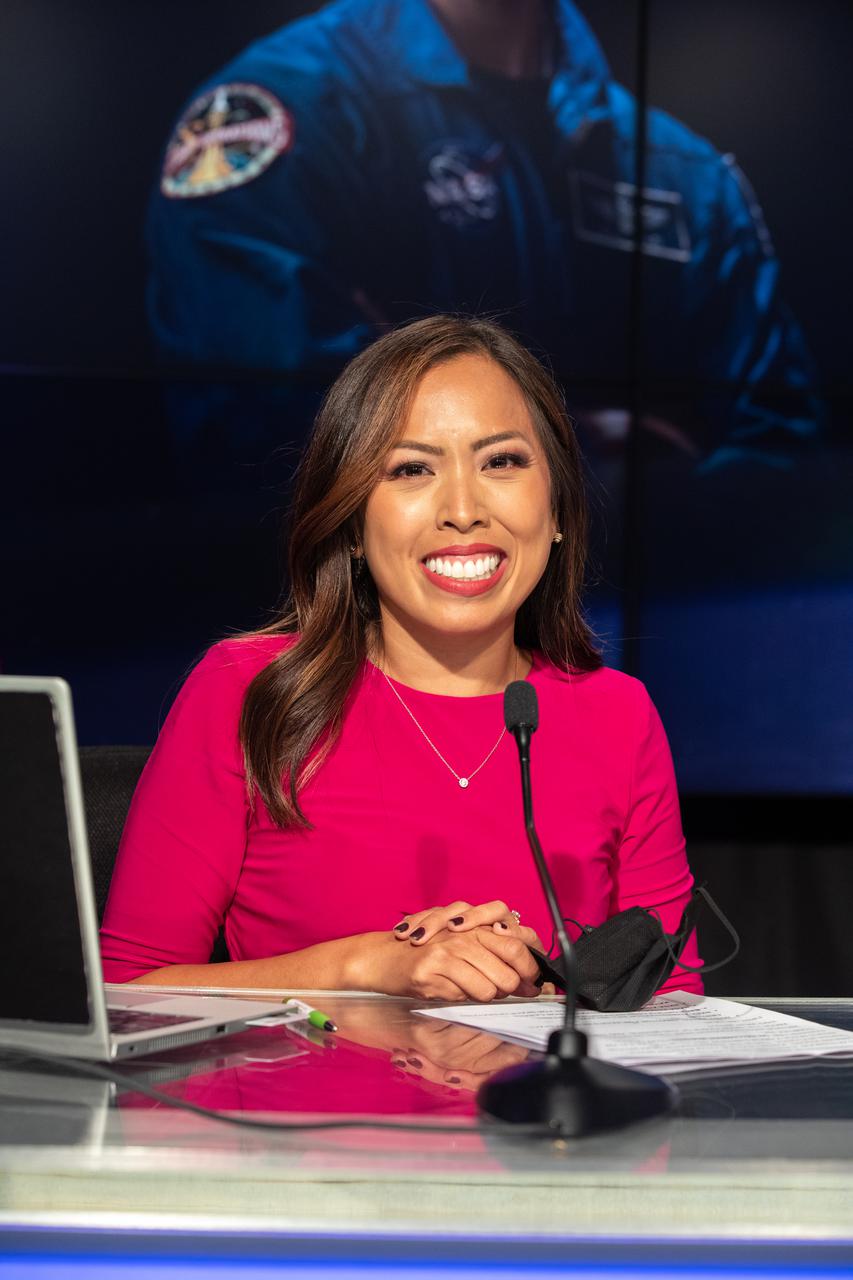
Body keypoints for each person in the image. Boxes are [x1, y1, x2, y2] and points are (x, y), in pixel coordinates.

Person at [100, 315, 701, 1000]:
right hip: (286, 1108)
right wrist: (362, 969)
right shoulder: (247, 692)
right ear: (352, 523)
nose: (463, 509)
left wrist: (550, 990)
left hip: (542, 1108)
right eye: (411, 469)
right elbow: (127, 992)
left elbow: (675, 1002)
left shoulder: (617, 715)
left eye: (500, 461)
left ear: (558, 506)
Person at [148, 0, 816, 470]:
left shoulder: (683, 173)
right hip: (347, 640)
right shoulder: (279, 113)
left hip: (652, 640)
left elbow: (776, 445)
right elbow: (257, 422)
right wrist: (576, 457)